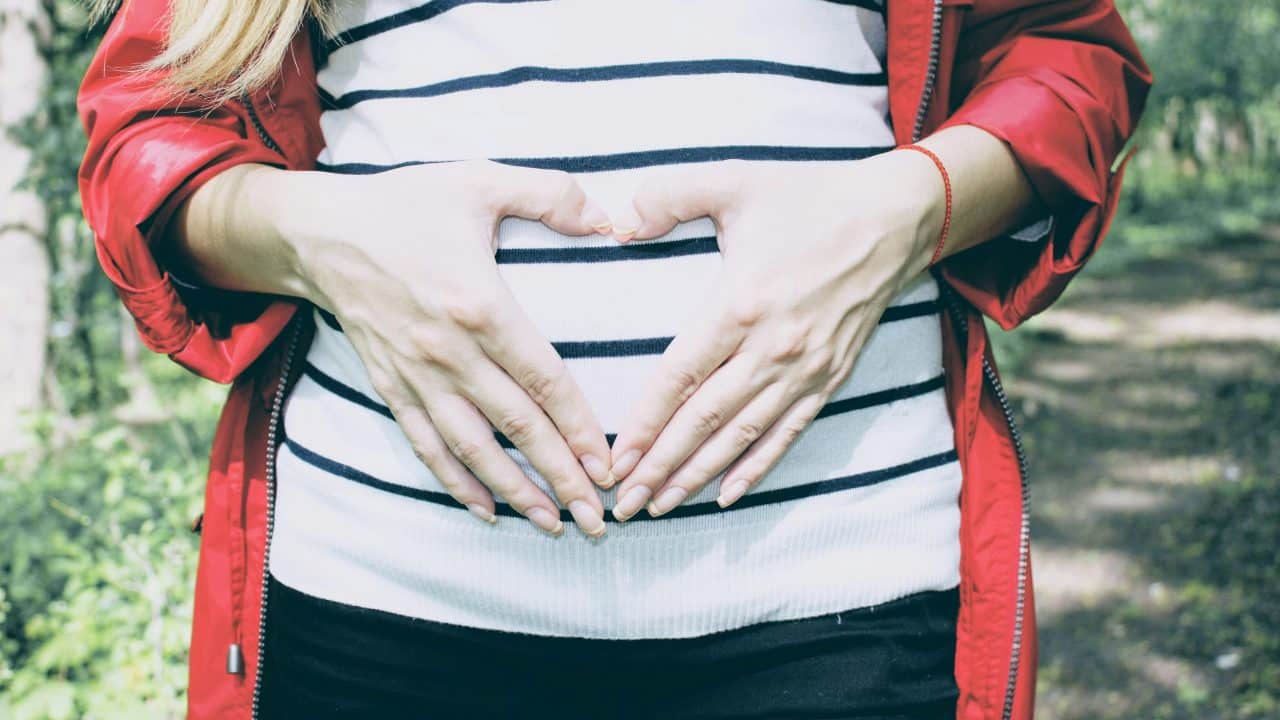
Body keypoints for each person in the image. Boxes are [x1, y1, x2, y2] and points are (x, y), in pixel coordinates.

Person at [78, 1, 1150, 718]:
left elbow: (1066, 58)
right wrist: (317, 235)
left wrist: (909, 207)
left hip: (843, 599)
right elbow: (145, 138)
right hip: (374, 605)